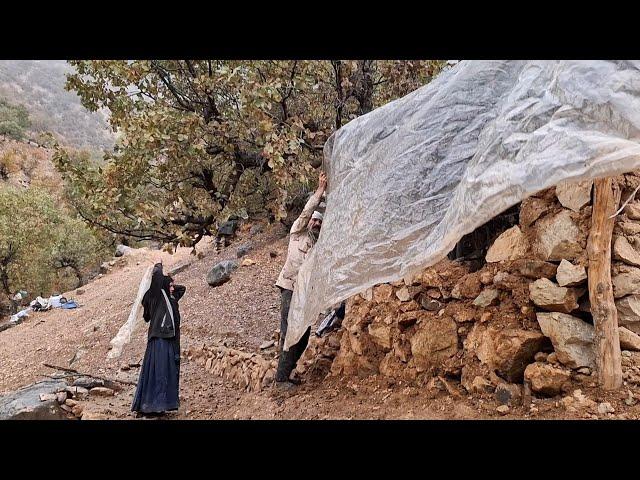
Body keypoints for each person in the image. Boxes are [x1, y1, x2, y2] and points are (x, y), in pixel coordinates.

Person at [274, 171, 327, 388]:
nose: (315, 223)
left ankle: (288, 371)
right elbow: (306, 212)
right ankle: (280, 379)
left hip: (304, 293)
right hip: (289, 288)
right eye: (314, 220)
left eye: (318, 222)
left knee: (303, 335)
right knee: (289, 331)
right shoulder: (298, 233)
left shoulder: (318, 245)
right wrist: (320, 190)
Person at [131, 257, 186, 416]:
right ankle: (153, 406)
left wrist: (170, 282)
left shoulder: (170, 298)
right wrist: (159, 264)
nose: (172, 288)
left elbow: (182, 289)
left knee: (166, 372)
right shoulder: (155, 296)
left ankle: (161, 405)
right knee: (160, 372)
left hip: (168, 338)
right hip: (159, 339)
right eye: (169, 285)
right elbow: (157, 277)